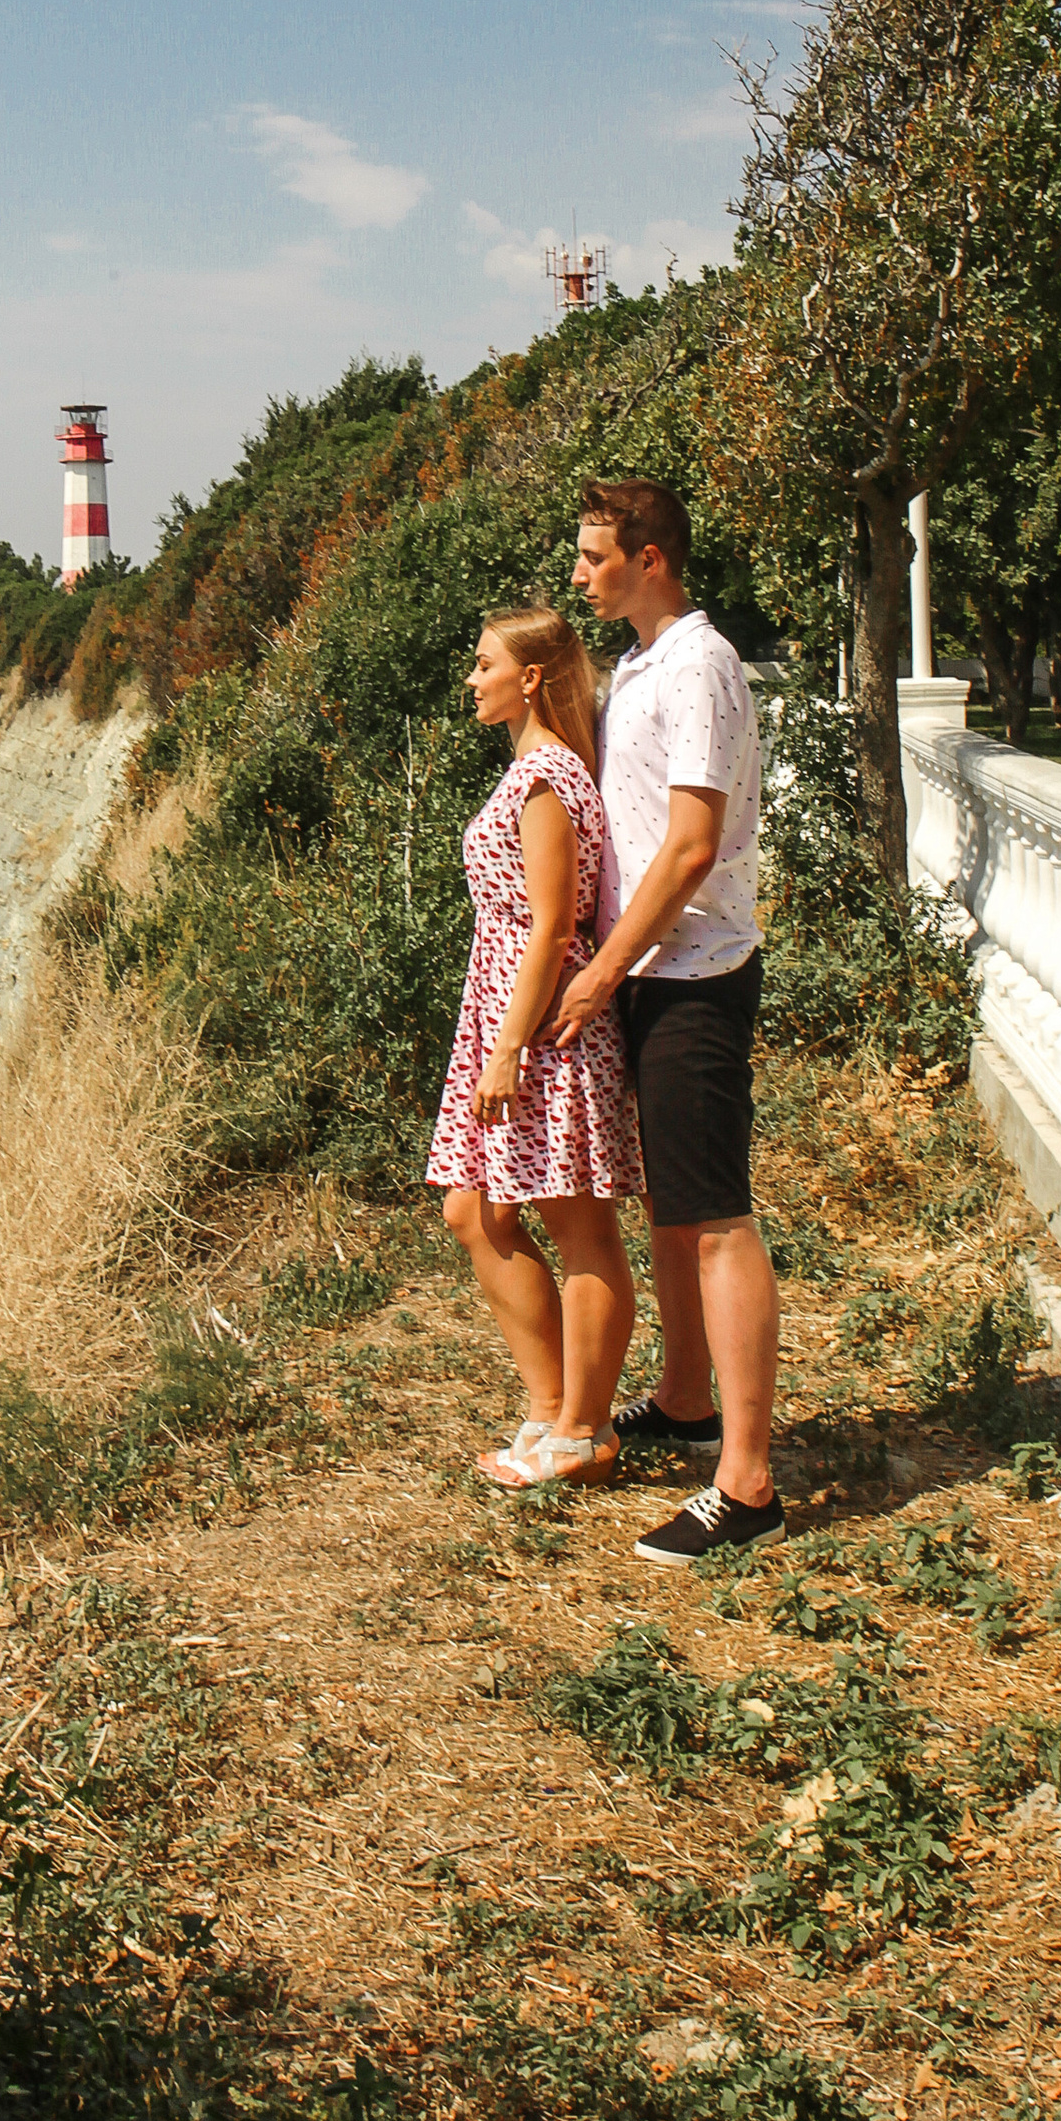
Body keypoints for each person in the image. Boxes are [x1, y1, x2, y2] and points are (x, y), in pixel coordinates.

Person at [550, 478, 784, 1566]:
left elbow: (691, 845)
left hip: (690, 971)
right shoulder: (642, 664)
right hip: (649, 968)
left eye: (595, 554)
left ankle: (745, 1481)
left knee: (719, 1216)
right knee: (671, 1209)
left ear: (650, 557)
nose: (580, 572)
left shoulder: (700, 665)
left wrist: (602, 970)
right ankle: (685, 1400)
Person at [426, 608, 643, 1490]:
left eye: (485, 665)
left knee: (578, 1223)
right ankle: (551, 1410)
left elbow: (554, 926)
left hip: (545, 1026)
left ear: (529, 678)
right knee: (475, 1214)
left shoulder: (548, 777)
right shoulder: (530, 771)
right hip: (508, 1013)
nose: (471, 679)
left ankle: (583, 1429)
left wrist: (510, 1046)